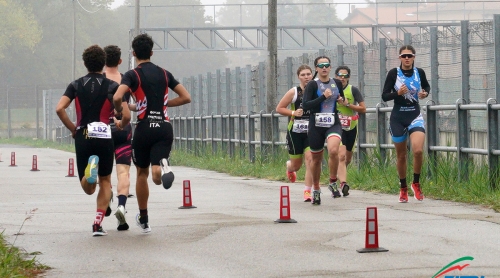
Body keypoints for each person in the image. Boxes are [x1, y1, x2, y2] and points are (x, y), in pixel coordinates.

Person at [113, 33, 191, 233]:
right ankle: (164, 166)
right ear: (152, 53)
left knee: (142, 173)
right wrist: (164, 104)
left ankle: (144, 219)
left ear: (133, 53)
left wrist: (119, 110)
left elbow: (117, 96)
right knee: (156, 173)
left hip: (144, 128)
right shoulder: (165, 74)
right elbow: (185, 97)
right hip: (164, 127)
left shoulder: (132, 75)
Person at [55, 45, 131, 236]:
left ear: (85, 63)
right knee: (105, 181)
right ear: (103, 63)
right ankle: (97, 224)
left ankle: (90, 170)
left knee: (88, 188)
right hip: (105, 135)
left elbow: (59, 109)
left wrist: (73, 129)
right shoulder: (113, 87)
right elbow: (127, 116)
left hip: (84, 135)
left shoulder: (75, 85)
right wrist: (120, 122)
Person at [382, 45, 430, 203]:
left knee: (417, 151)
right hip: (398, 117)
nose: (407, 58)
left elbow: (426, 86)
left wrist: (424, 93)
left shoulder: (419, 72)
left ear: (414, 57)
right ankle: (403, 187)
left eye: (410, 56)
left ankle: (416, 183)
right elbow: (385, 96)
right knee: (401, 155)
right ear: (400, 58)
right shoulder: (393, 73)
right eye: (404, 56)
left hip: (414, 115)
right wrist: (398, 93)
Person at [302, 56, 345, 205]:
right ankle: (316, 188)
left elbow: (342, 98)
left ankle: (333, 181)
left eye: (327, 65)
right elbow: (306, 105)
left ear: (330, 67)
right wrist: (322, 97)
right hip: (316, 124)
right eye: (321, 66)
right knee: (316, 159)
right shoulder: (312, 85)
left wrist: (341, 101)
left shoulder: (337, 83)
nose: (324, 68)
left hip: (333, 122)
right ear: (316, 68)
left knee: (333, 150)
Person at [103, 45, 133, 231]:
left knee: (104, 175)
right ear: (120, 61)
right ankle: (122, 206)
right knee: (123, 172)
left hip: (103, 130)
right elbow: (130, 104)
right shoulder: (126, 80)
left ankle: (105, 200)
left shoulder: (100, 81)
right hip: (123, 128)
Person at [276, 65, 314, 202]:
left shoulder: (317, 90)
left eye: (309, 74)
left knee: (310, 159)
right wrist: (293, 112)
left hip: (312, 131)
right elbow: (279, 108)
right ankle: (290, 167)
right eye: (303, 75)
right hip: (295, 132)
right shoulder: (294, 92)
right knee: (296, 165)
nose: (306, 77)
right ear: (299, 77)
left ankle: (307, 191)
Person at [334, 66, 366, 197]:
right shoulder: (331, 90)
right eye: (340, 75)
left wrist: (347, 105)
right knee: (340, 156)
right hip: (336, 127)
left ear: (348, 77)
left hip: (351, 126)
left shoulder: (353, 90)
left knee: (347, 159)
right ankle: (342, 183)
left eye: (345, 75)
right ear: (336, 76)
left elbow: (363, 109)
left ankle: (337, 176)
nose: (342, 78)